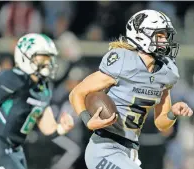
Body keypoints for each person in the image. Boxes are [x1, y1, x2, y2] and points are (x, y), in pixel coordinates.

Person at [69, 9, 193, 169]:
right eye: (160, 36)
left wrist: (173, 112)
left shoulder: (165, 72)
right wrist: (87, 120)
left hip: (130, 151)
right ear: (141, 35)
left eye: (166, 36)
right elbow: (77, 92)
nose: (165, 41)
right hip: (105, 148)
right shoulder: (123, 62)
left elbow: (161, 123)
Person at [0, 33, 74, 169]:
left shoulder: (43, 87)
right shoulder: (14, 79)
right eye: (43, 58)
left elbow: (47, 126)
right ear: (26, 56)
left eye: (49, 58)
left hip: (15, 149)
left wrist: (62, 127)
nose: (48, 63)